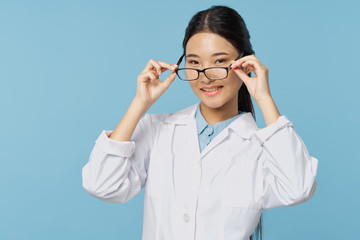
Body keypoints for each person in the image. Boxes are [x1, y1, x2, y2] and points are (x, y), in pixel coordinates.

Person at [82, 5, 319, 240]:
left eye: (219, 61)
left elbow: (299, 188)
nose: (205, 75)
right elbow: (101, 184)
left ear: (245, 63)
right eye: (194, 62)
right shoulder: (157, 131)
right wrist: (139, 104)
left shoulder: (262, 147)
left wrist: (264, 98)